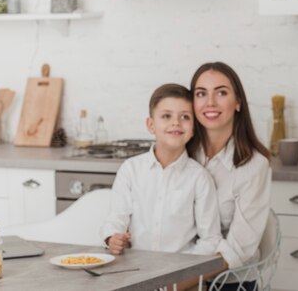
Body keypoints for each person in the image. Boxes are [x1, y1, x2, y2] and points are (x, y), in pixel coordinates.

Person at [100, 83, 221, 256]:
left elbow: (210, 239)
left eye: (185, 117)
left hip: (182, 276)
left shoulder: (199, 178)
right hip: (135, 270)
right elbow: (116, 219)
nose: (176, 123)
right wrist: (112, 238)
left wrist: (184, 272)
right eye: (166, 116)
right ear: (151, 125)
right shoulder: (130, 170)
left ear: (194, 128)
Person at [187, 62, 272, 291]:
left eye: (221, 92)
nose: (210, 102)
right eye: (201, 93)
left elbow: (238, 249)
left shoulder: (255, 166)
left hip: (230, 281)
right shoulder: (183, 155)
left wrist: (184, 282)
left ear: (237, 103)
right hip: (177, 272)